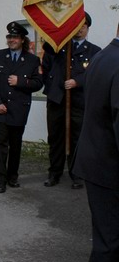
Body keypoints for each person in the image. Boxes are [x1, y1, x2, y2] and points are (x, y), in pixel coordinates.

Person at [72, 22, 119, 262]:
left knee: (107, 241)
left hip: (96, 162)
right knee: (110, 245)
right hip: (110, 167)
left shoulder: (102, 56)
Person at [41, 12, 100, 189]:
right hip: (57, 100)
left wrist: (77, 81)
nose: (80, 30)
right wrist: (54, 87)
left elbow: (95, 74)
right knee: (55, 138)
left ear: (88, 28)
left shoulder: (94, 51)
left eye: (83, 26)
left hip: (79, 101)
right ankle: (54, 173)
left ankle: (76, 174)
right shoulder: (58, 47)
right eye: (77, 26)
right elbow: (46, 68)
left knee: (77, 139)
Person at [0, 21, 42, 193]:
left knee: (15, 146)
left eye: (15, 37)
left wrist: (21, 81)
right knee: (0, 146)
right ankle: (0, 181)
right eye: (9, 37)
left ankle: (12, 177)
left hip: (19, 109)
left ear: (23, 39)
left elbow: (39, 83)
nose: (11, 40)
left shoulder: (32, 60)